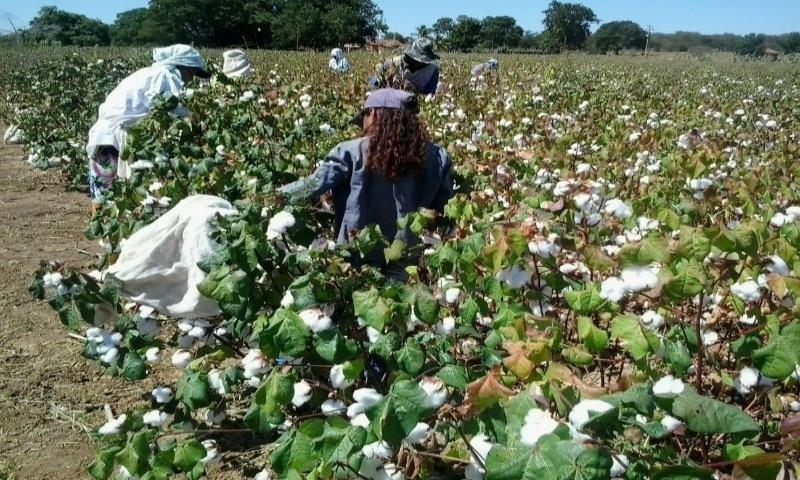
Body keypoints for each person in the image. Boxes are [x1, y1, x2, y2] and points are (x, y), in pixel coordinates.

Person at [279, 88, 453, 270]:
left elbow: (311, 186)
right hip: (406, 261)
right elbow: (446, 214)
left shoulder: (350, 152)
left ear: (374, 114)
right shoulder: (437, 157)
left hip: (356, 260)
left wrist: (272, 197)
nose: (362, 125)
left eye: (364, 116)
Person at [86, 44, 210, 209]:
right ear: (181, 66)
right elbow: (167, 109)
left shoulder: (148, 73)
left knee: (103, 193)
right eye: (192, 72)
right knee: (111, 197)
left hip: (104, 136)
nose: (191, 78)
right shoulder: (165, 77)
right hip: (115, 136)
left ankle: (103, 230)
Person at [372, 37, 440, 95]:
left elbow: (429, 95)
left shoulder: (432, 71)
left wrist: (414, 90)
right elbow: (372, 82)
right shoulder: (392, 63)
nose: (418, 62)